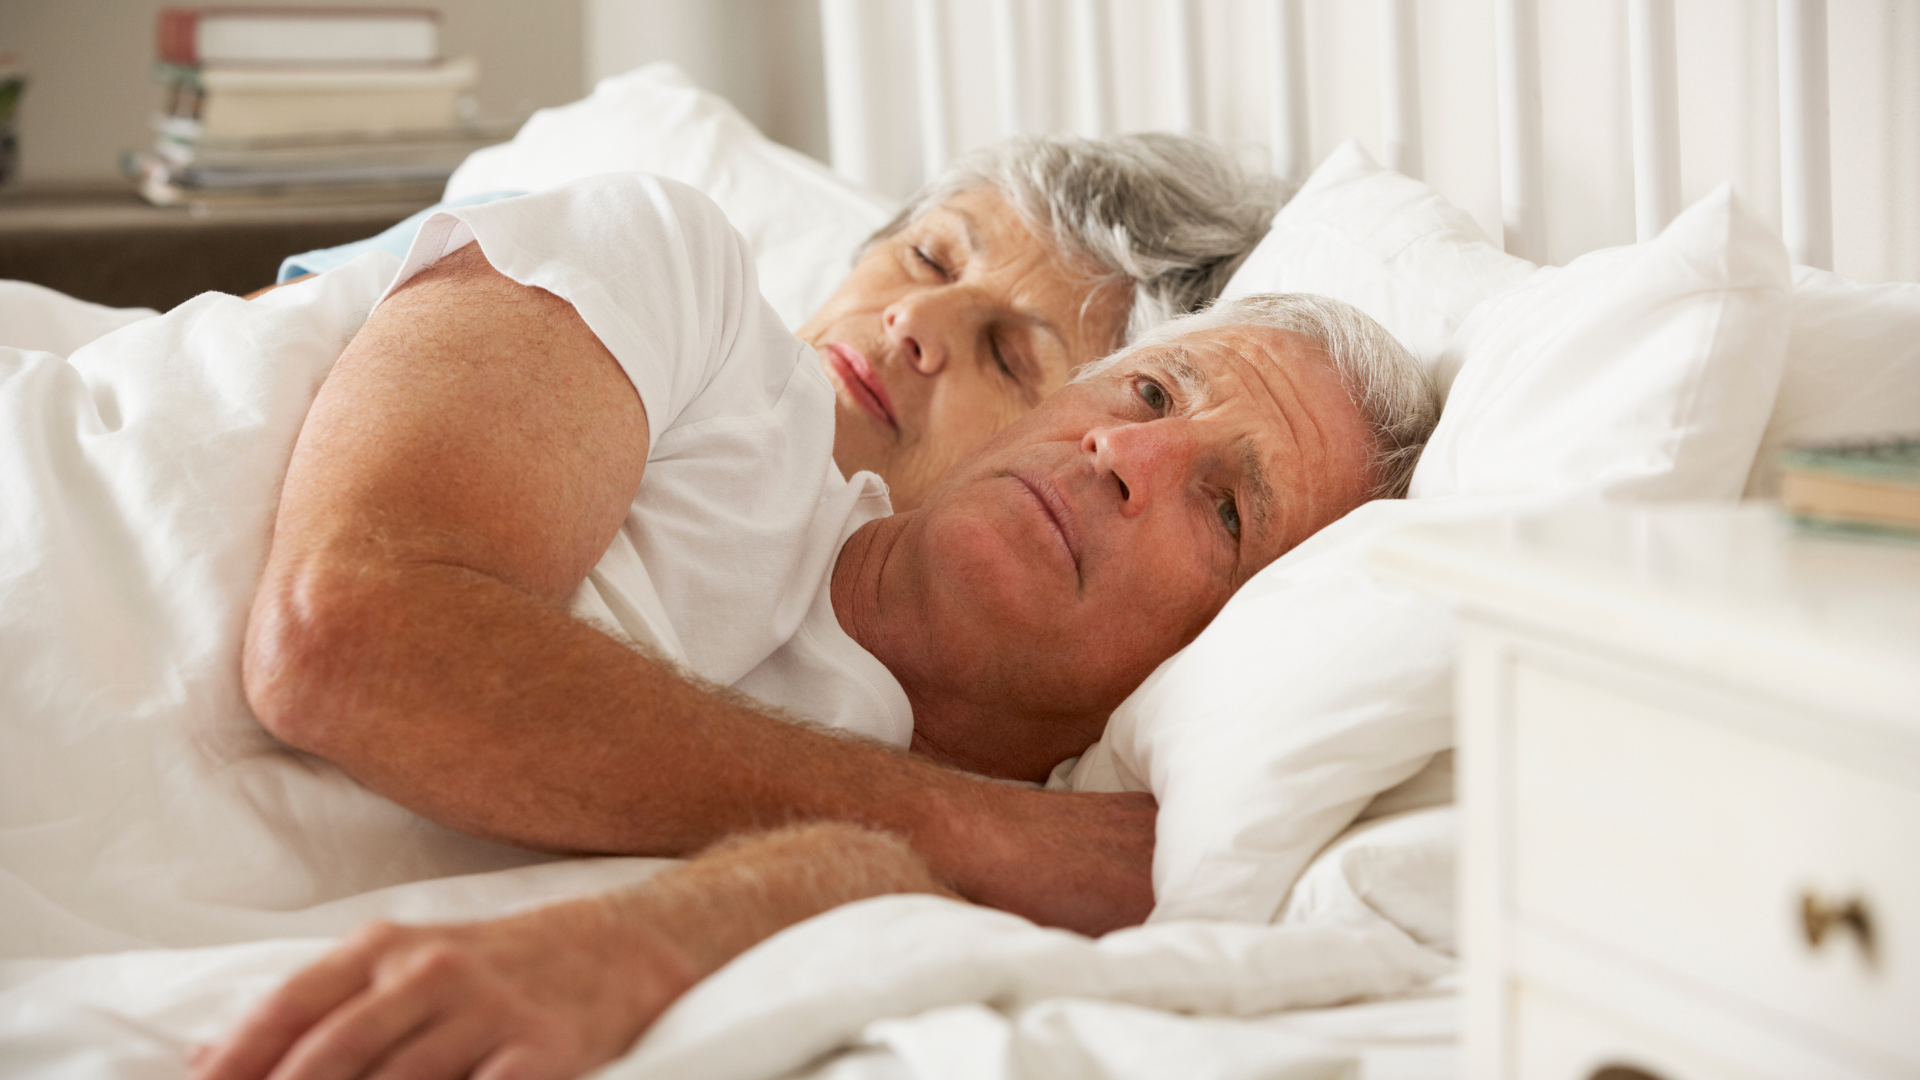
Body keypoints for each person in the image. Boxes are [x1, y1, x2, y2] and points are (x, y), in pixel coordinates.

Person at [193, 242, 1433, 1080]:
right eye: (1152, 393)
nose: (1125, 451)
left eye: (1224, 512)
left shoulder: (1013, 859)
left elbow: (868, 869)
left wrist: (642, 948)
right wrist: (989, 830)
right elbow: (344, 637)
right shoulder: (691, 311)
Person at [260, 133, 1282, 511]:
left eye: (1010, 354)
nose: (915, 317)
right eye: (928, 255)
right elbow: (254, 345)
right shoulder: (601, 266)